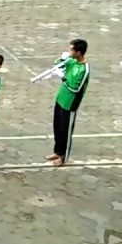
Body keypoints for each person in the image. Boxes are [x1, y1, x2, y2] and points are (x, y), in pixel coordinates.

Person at [47, 39, 90, 167]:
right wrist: (61, 59)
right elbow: (57, 65)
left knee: (66, 130)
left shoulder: (84, 69)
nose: (70, 51)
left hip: (70, 103)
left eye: (72, 50)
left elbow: (76, 88)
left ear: (79, 52)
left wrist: (63, 78)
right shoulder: (71, 60)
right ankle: (57, 151)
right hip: (61, 98)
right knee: (57, 127)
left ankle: (63, 157)